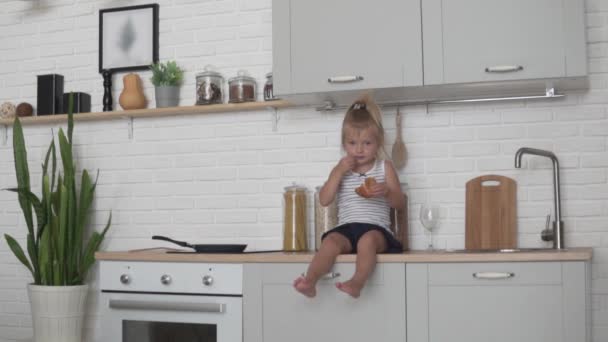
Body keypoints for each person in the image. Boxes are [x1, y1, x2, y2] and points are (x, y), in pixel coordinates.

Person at [293, 95, 405, 298]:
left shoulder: (384, 167)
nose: (359, 149)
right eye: (352, 143)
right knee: (330, 242)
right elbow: (324, 200)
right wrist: (337, 172)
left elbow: (400, 204)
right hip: (347, 228)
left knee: (367, 241)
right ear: (344, 143)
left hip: (376, 229)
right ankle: (310, 280)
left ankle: (357, 282)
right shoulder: (341, 170)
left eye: (367, 143)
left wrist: (387, 192)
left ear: (378, 142)